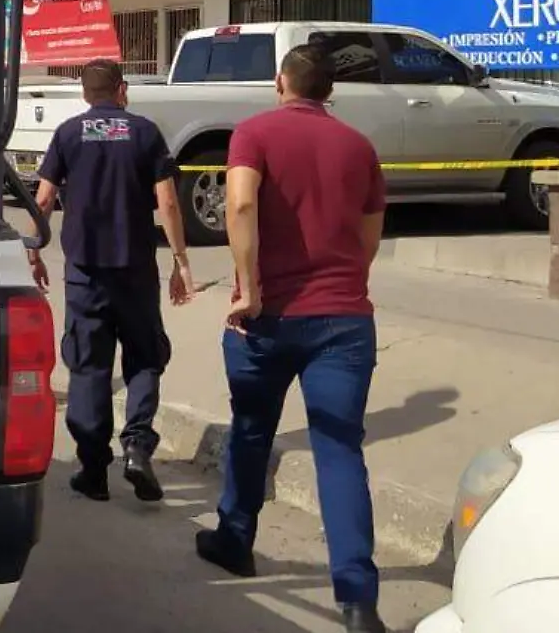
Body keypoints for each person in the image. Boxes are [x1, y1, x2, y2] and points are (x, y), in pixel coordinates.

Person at [200, 43, 388, 633]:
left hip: (267, 320)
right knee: (340, 453)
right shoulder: (359, 146)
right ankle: (358, 602)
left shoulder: (253, 133)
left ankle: (236, 539)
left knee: (252, 432)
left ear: (281, 81)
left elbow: (240, 204)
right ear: (328, 90)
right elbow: (369, 235)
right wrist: (347, 285)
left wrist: (250, 287)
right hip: (344, 320)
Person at [25, 59, 192, 503]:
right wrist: (180, 260)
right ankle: (137, 445)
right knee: (143, 356)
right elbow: (169, 203)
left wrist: (33, 250)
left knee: (88, 364)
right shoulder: (144, 132)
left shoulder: (67, 133)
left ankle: (94, 468)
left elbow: (43, 198)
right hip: (135, 269)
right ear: (122, 90)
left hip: (84, 272)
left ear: (84, 94)